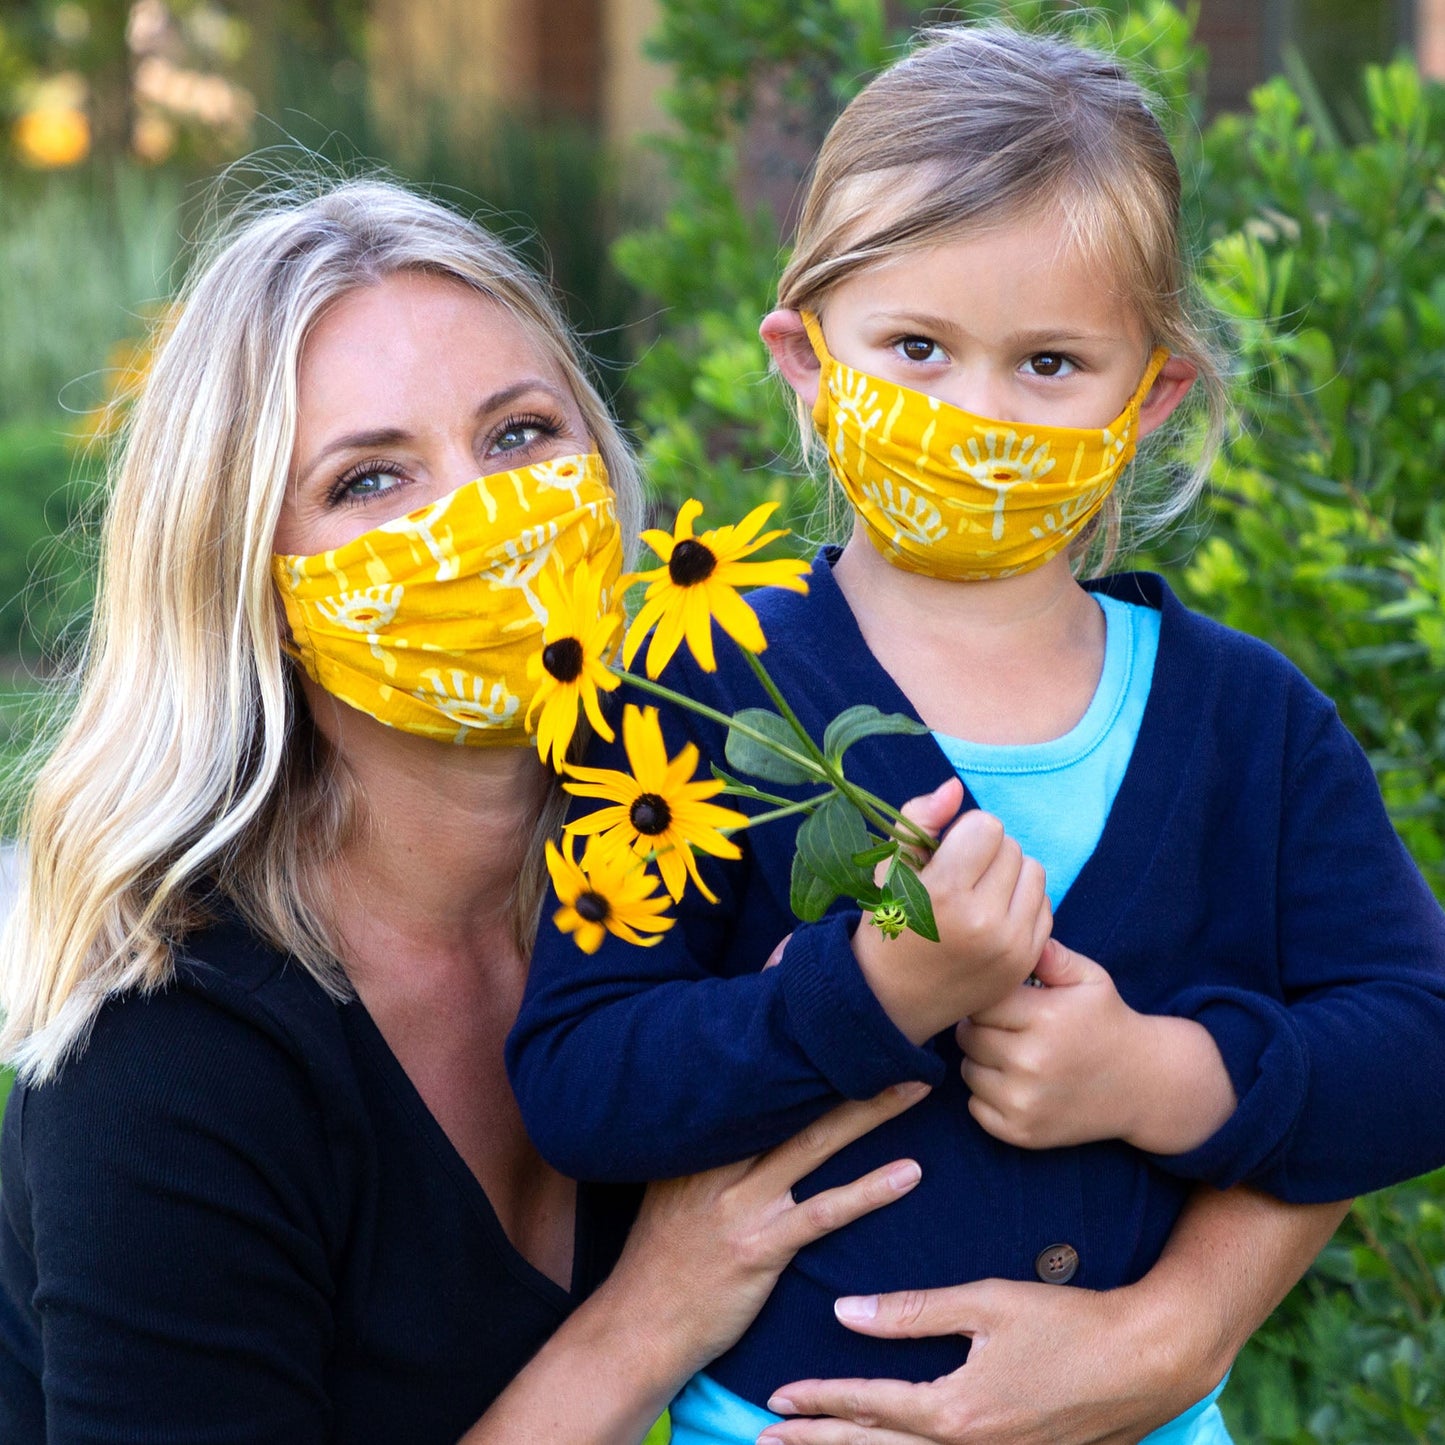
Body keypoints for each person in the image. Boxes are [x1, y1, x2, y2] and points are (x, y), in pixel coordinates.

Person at [0, 175, 1346, 1445]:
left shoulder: (720, 815)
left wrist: (1169, 1336)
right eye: (369, 478)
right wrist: (646, 1317)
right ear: (243, 577)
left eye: (520, 433)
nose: (483, 512)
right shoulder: (170, 1055)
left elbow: (1319, 1011)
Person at [507, 23, 1445, 1445]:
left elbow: (1415, 1050)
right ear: (806, 360)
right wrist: (861, 998)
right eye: (918, 347)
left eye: (1050, 363)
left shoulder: (1250, 727)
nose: (976, 414)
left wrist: (1159, 1075)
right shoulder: (696, 697)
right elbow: (582, 1082)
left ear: (1149, 397)